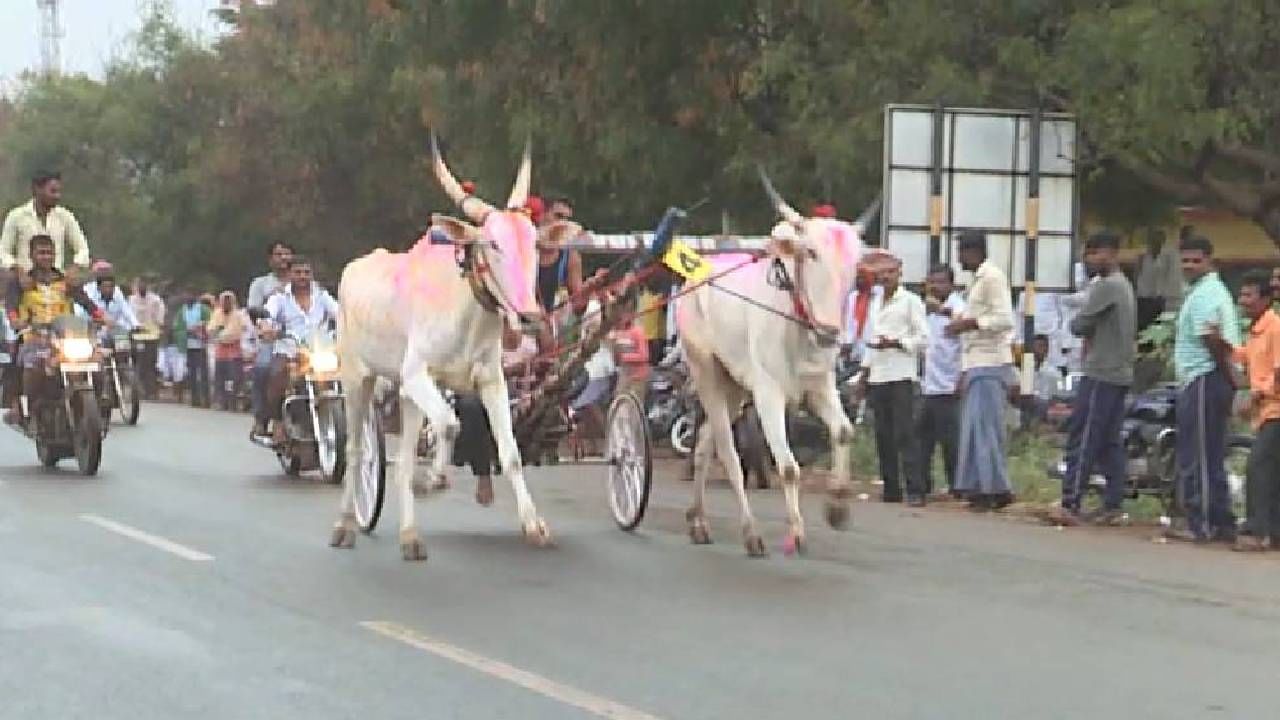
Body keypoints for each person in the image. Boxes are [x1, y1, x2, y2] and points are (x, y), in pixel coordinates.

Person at [1050, 231, 1137, 526]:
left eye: (1094, 253)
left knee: (1084, 437)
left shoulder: (1107, 286)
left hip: (1101, 371)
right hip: (1120, 372)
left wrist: (1084, 319)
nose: (1089, 260)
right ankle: (1113, 503)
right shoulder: (1124, 284)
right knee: (1109, 441)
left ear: (1111, 253)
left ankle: (1070, 501)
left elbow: (1078, 325)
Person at [1166, 234, 1241, 543]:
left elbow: (1212, 339)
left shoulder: (1207, 293)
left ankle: (1202, 522)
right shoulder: (1201, 291)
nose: (1190, 266)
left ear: (1210, 261)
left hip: (1205, 378)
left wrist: (1230, 377)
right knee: (1210, 452)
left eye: (1197, 260)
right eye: (1185, 260)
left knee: (1198, 455)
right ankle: (1221, 521)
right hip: (1204, 378)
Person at [946, 230, 1017, 511]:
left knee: (986, 429)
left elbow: (1003, 318)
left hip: (990, 361)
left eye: (962, 253)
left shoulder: (992, 278)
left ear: (973, 252)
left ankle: (996, 489)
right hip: (975, 361)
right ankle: (977, 488)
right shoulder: (976, 282)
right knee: (974, 429)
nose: (959, 259)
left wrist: (969, 324)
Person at [5, 235, 103, 424]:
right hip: (35, 338)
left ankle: (99, 403)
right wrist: (16, 321)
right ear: (32, 255)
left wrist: (103, 317)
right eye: (41, 253)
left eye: (49, 253)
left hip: (66, 337)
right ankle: (30, 408)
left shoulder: (66, 281)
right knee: (32, 366)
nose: (46, 257)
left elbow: (86, 302)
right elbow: (11, 307)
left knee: (98, 360)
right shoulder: (22, 281)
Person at [1215, 272, 1280, 551]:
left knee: (1258, 468)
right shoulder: (1256, 331)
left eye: (1249, 295)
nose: (1243, 301)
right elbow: (1243, 356)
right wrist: (1219, 342)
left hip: (1274, 410)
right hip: (1265, 411)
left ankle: (1256, 530)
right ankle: (1273, 530)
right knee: (1272, 471)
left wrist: (1255, 397)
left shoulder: (1275, 327)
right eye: (1241, 295)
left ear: (1265, 299)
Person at [857, 258, 927, 505]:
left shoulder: (910, 302)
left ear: (899, 273)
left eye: (890, 273)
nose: (885, 277)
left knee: (905, 433)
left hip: (901, 374)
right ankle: (891, 489)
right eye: (881, 274)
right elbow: (871, 342)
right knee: (883, 434)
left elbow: (923, 339)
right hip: (879, 374)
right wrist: (863, 376)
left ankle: (915, 489)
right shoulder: (876, 302)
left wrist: (898, 343)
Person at [259, 256, 339, 443]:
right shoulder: (279, 298)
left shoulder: (322, 296)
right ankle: (277, 421)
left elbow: (339, 313)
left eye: (306, 272)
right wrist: (266, 327)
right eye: (298, 272)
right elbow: (267, 316)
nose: (302, 276)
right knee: (278, 373)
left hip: (319, 351)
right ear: (290, 275)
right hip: (290, 352)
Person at [918, 263, 965, 498]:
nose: (935, 287)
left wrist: (962, 379)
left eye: (940, 282)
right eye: (932, 282)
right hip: (928, 384)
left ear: (951, 284)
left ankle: (957, 486)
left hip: (950, 385)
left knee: (951, 442)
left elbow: (968, 344)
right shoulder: (925, 310)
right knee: (922, 439)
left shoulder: (958, 308)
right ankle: (922, 486)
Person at [1, 170, 91, 285]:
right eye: (53, 191)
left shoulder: (65, 216)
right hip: (25, 284)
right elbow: (3, 252)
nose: (57, 196)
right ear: (37, 189)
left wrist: (74, 269)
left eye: (59, 192)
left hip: (57, 283)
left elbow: (83, 249)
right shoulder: (17, 216)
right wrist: (19, 271)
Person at [247, 242, 294, 432]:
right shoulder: (261, 284)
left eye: (286, 253)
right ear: (270, 259)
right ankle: (262, 416)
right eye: (278, 254)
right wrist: (263, 325)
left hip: (303, 341)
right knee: (262, 368)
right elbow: (254, 310)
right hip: (273, 339)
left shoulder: (304, 283)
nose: (283, 258)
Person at [1133, 228, 1183, 330]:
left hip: (1161, 298)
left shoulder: (1169, 256)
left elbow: (1172, 276)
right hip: (1144, 297)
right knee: (1143, 327)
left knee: (1158, 328)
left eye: (1159, 239)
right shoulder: (1143, 256)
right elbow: (1137, 274)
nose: (1156, 241)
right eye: (1153, 239)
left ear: (1163, 240)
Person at [208, 291, 249, 411]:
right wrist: (220, 335)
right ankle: (221, 401)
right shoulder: (217, 314)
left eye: (228, 301)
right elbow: (211, 330)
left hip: (234, 352)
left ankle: (233, 402)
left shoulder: (238, 315)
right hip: (220, 352)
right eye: (224, 301)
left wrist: (221, 334)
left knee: (234, 379)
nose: (226, 304)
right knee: (219, 378)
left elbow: (235, 332)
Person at [173, 290, 212, 408]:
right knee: (192, 373)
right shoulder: (182, 311)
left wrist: (200, 328)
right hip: (188, 345)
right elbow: (177, 328)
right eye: (186, 295)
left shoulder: (203, 309)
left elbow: (211, 323)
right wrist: (186, 331)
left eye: (190, 295)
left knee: (203, 373)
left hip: (201, 345)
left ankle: (206, 399)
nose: (188, 297)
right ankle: (195, 400)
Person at [129, 275, 166, 398]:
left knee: (150, 364)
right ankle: (138, 391)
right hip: (136, 336)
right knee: (138, 363)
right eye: (140, 284)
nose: (142, 287)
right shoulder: (131, 300)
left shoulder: (155, 300)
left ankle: (151, 391)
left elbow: (160, 318)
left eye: (144, 284)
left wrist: (158, 325)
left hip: (151, 336)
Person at [83, 261, 140, 333]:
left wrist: (136, 324)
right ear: (95, 274)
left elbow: (126, 309)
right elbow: (83, 313)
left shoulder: (116, 290)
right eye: (100, 272)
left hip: (115, 329)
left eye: (106, 271)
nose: (103, 274)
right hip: (94, 329)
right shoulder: (87, 290)